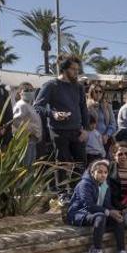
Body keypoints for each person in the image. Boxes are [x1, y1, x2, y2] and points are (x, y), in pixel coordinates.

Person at [33, 55, 88, 190]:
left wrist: (85, 129)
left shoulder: (79, 87)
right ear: (64, 69)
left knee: (80, 163)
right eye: (73, 69)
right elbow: (37, 107)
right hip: (58, 130)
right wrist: (53, 114)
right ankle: (63, 194)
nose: (76, 72)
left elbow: (83, 108)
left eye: (77, 69)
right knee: (62, 163)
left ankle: (77, 192)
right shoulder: (51, 85)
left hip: (77, 131)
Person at [66, 159, 127, 253]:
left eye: (105, 172)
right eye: (99, 172)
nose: (103, 175)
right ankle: (96, 250)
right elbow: (88, 205)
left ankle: (121, 251)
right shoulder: (84, 184)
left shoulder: (105, 184)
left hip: (96, 213)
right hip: (79, 213)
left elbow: (107, 204)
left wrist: (115, 212)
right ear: (92, 172)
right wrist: (108, 212)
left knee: (118, 218)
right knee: (101, 216)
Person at [10, 81, 42, 166]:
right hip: (26, 139)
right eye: (26, 90)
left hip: (32, 139)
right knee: (26, 165)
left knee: (31, 164)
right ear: (20, 92)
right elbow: (16, 122)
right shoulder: (21, 105)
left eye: (31, 90)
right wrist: (30, 131)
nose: (29, 92)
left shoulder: (29, 105)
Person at [86, 84, 116, 151]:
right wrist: (91, 107)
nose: (98, 93)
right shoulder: (87, 106)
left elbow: (113, 123)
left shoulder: (107, 105)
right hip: (92, 139)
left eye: (100, 91)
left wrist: (107, 135)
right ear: (91, 92)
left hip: (105, 138)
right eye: (96, 91)